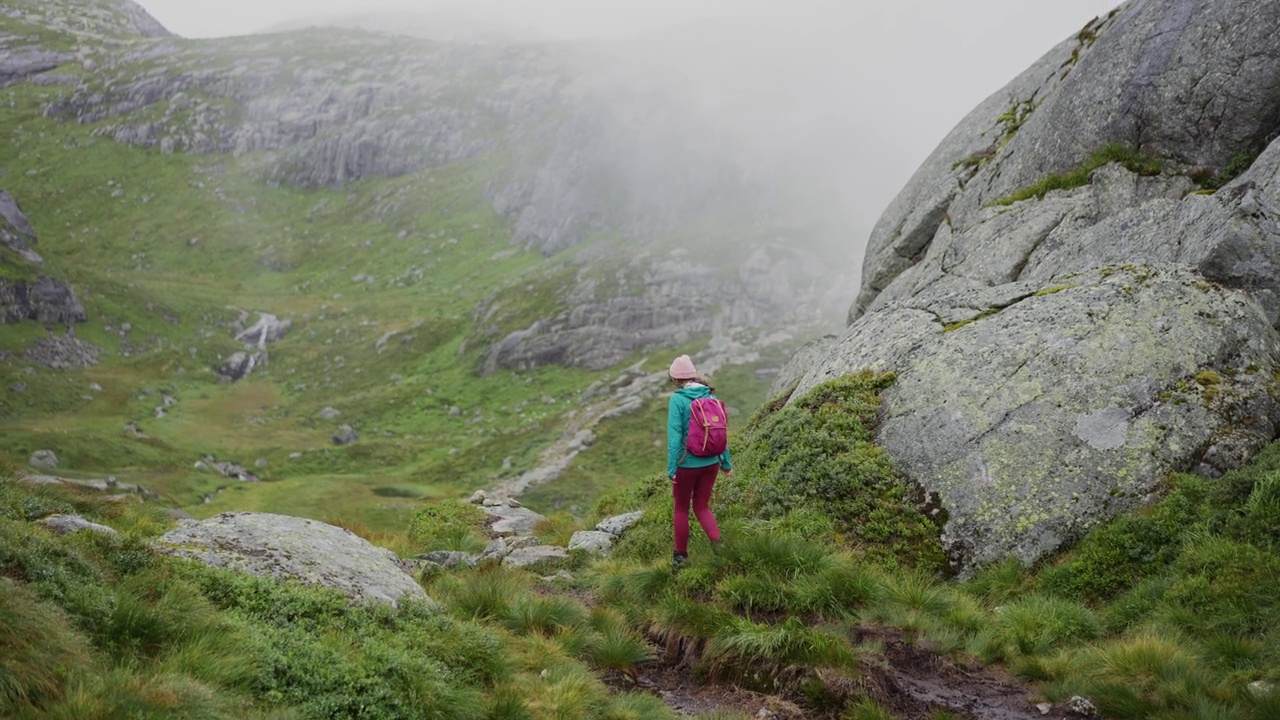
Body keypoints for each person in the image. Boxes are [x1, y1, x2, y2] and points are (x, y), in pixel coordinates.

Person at [666, 354, 731, 570]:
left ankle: (681, 557)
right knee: (702, 506)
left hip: (687, 464)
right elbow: (720, 433)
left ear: (676, 379)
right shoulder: (710, 397)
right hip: (711, 462)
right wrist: (726, 463)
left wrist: (672, 468)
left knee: (681, 509)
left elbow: (675, 437)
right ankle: (718, 546)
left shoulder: (678, 399)